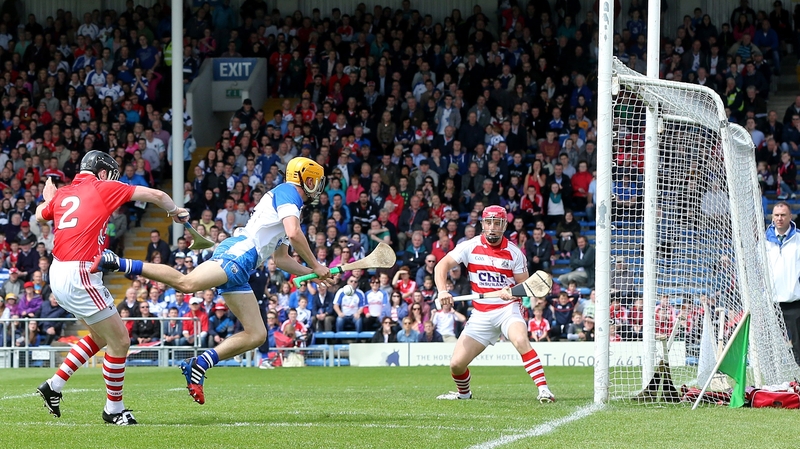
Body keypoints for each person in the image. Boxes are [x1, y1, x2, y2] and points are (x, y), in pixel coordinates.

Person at [94, 157, 333, 405]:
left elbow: (282, 260)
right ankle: (120, 262)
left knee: (257, 334)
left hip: (245, 265)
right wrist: (316, 264)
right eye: (315, 180)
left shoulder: (292, 210)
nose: (317, 186)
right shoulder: (288, 192)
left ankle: (199, 364)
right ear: (306, 179)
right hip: (239, 254)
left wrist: (314, 271)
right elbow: (294, 234)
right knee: (186, 284)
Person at [36, 150, 189, 425]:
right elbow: (156, 195)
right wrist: (175, 211)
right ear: (103, 172)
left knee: (98, 336)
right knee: (120, 341)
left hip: (57, 271)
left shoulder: (62, 193)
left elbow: (38, 217)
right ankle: (113, 409)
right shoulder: (103, 186)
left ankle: (54, 385)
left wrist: (48, 199)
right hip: (80, 271)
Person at [434, 205, 555, 402]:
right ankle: (464, 394)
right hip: (481, 314)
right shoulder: (470, 246)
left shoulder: (514, 253)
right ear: (482, 224)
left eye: (497, 223)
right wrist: (442, 290)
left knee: (520, 341)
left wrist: (512, 291)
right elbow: (442, 265)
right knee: (456, 364)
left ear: (504, 225)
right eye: (488, 222)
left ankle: (543, 390)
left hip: (508, 309)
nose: (492, 227)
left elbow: (525, 287)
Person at [766, 202, 800, 365]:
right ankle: (773, 388)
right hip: (771, 303)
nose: (779, 218)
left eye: (783, 215)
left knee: (798, 347)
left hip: (795, 303)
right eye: (776, 215)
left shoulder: (798, 239)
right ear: (772, 217)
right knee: (771, 348)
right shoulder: (764, 241)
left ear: (790, 217)